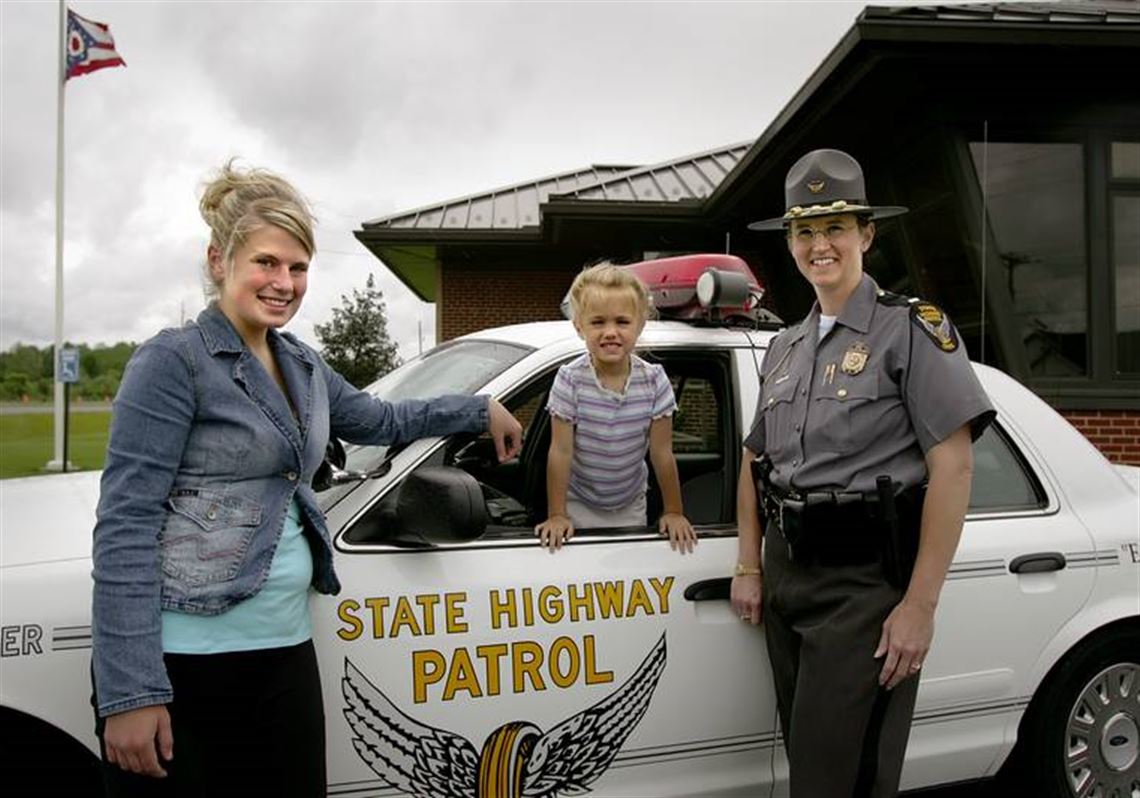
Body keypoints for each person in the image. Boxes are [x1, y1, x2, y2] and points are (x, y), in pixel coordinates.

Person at [90, 161, 522, 797]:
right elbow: (126, 524)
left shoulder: (301, 364)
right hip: (188, 662)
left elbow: (379, 419)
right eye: (266, 262)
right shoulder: (173, 362)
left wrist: (477, 409)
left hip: (285, 650)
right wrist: (130, 691)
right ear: (219, 260)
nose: (284, 283)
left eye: (298, 267)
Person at [731, 149, 995, 798]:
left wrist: (919, 607)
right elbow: (755, 460)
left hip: (863, 586)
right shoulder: (784, 346)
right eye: (805, 231)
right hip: (788, 578)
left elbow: (954, 465)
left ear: (867, 235)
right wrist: (749, 565)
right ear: (790, 243)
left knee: (837, 781)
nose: (819, 245)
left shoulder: (910, 330)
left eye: (836, 227)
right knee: (812, 767)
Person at [534, 262, 696, 554]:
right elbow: (560, 452)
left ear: (640, 325)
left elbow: (661, 453)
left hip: (630, 504)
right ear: (579, 327)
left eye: (622, 322)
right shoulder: (569, 379)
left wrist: (674, 511)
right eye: (598, 322)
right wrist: (557, 514)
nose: (610, 332)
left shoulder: (654, 380)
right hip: (577, 503)